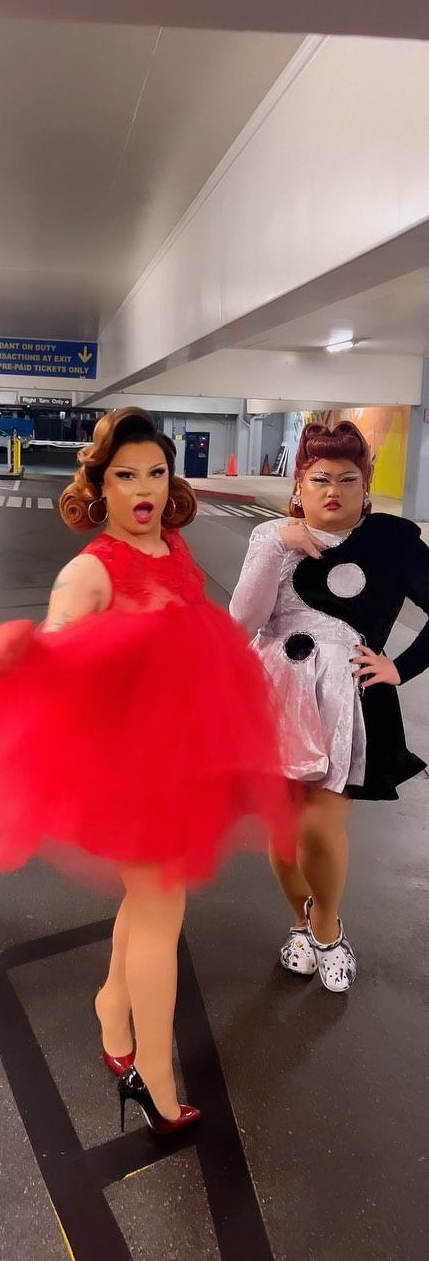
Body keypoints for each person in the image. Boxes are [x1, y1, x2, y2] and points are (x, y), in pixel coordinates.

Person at [0, 407, 294, 1135]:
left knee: (151, 903)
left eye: (155, 473)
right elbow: (57, 660)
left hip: (180, 756)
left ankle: (113, 1010)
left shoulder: (172, 547)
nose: (143, 489)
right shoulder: (90, 570)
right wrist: (23, 653)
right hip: (128, 770)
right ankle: (153, 1075)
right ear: (100, 484)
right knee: (161, 910)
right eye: (125, 476)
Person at [230, 421, 429, 993]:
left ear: (365, 487)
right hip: (272, 696)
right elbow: (242, 622)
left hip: (346, 701)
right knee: (283, 831)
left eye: (348, 479)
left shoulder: (390, 541)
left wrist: (400, 668)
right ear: (299, 484)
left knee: (319, 828)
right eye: (320, 478)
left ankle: (326, 929)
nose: (333, 490)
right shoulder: (270, 537)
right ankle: (301, 922)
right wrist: (278, 544)